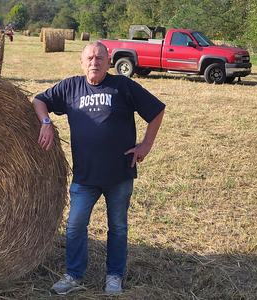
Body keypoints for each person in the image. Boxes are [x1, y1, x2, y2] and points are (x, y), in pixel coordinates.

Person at [32, 42, 165, 295]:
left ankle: (114, 276)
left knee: (118, 227)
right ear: (82, 62)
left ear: (109, 61)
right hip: (85, 176)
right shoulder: (70, 86)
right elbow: (39, 100)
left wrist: (146, 145)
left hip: (119, 174)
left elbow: (157, 110)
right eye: (90, 58)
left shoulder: (123, 86)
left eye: (100, 58)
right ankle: (73, 274)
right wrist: (46, 122)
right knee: (74, 225)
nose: (95, 62)